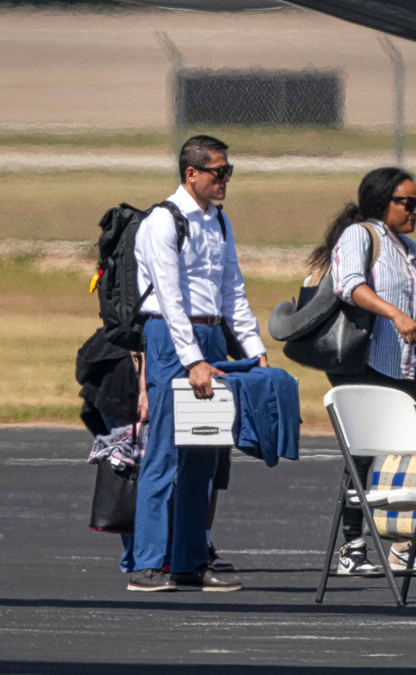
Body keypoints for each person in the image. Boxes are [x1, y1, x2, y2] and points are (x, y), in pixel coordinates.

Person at [127, 135, 266, 592]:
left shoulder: (219, 222)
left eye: (228, 172)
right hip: (171, 338)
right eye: (217, 172)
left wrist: (252, 349)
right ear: (191, 174)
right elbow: (169, 298)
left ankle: (188, 559)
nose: (225, 180)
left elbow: (233, 292)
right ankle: (148, 563)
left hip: (209, 334)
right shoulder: (162, 222)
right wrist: (192, 361)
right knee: (164, 453)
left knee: (203, 456)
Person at [306, 166, 416, 577]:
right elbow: (350, 285)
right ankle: (351, 547)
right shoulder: (361, 234)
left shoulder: (409, 247)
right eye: (408, 203)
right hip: (368, 361)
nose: (415, 210)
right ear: (382, 202)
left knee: (410, 454)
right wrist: (394, 314)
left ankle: (404, 545)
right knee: (363, 456)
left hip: (405, 365)